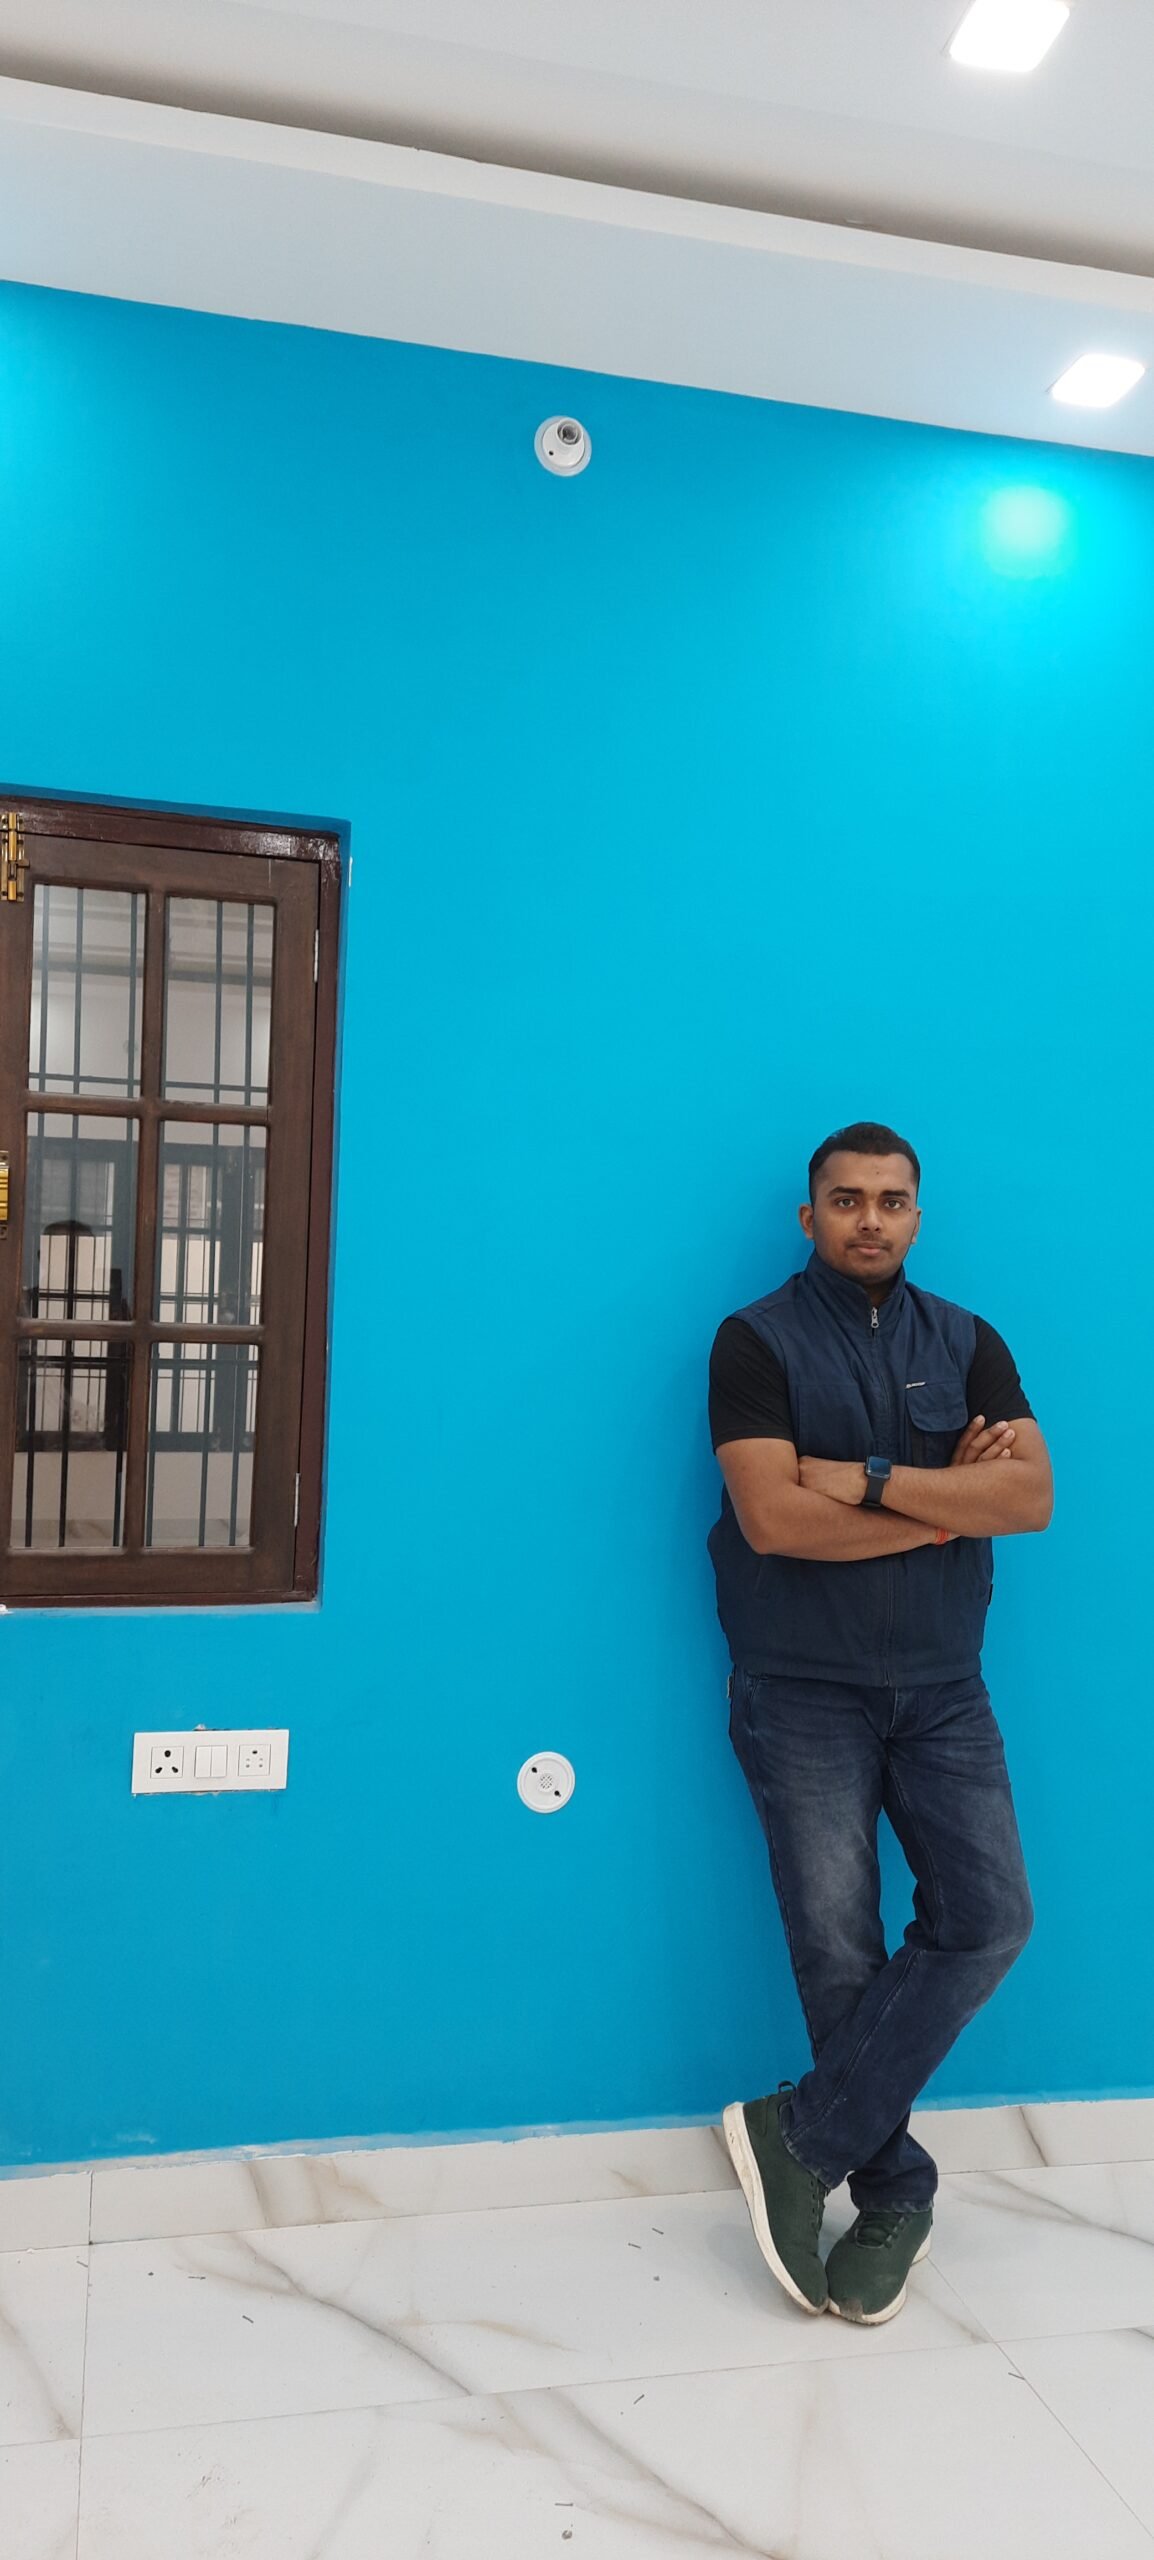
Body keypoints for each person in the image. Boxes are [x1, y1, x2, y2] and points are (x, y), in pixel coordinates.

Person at [708, 1122, 1051, 2327]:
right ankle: (894, 2190)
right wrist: (949, 1504)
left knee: (988, 1917)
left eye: (890, 1200)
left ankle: (798, 2137)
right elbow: (772, 1520)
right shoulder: (753, 1341)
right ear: (809, 1217)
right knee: (837, 1949)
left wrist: (858, 1479)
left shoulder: (968, 1341)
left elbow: (1028, 1495)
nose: (869, 1219)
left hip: (943, 1687)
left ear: (915, 1214)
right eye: (846, 1200)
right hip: (799, 1686)